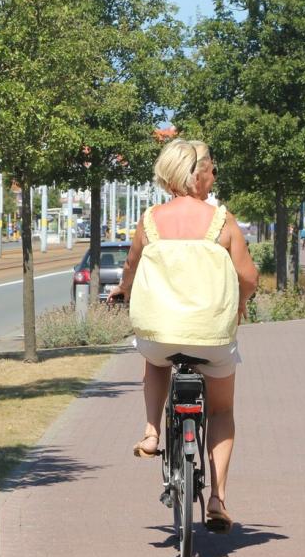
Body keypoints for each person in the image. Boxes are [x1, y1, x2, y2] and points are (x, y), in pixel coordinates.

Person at [110, 139, 258, 532]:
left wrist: (124, 289)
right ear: (196, 174)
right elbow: (248, 277)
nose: (214, 176)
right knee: (222, 410)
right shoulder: (221, 221)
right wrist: (241, 302)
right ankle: (217, 498)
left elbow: (131, 266)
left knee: (155, 359)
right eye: (211, 169)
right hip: (211, 335)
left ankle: (151, 431)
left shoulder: (150, 220)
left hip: (159, 333)